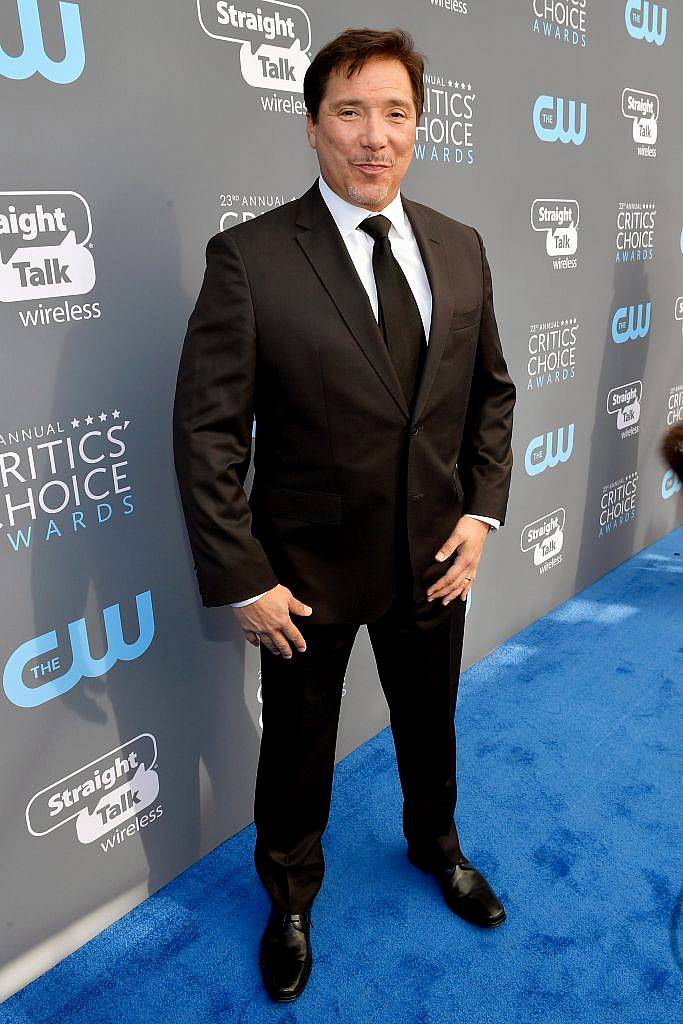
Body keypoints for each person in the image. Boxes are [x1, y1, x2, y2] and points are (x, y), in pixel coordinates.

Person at [173, 26, 516, 1003]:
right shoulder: (249, 259)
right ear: (312, 125)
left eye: (395, 113)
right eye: (350, 113)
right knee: (295, 749)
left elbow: (489, 393)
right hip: (303, 577)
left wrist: (481, 513)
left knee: (430, 725)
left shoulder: (459, 245)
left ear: (419, 124)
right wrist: (241, 575)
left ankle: (436, 847)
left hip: (433, 561)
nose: (375, 136)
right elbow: (205, 434)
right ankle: (287, 898)